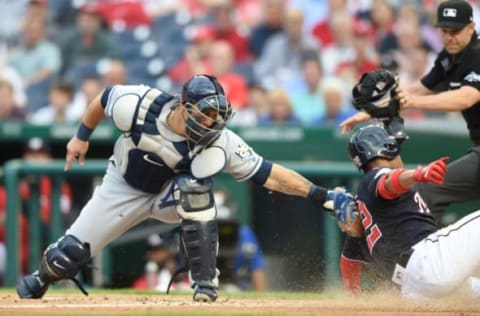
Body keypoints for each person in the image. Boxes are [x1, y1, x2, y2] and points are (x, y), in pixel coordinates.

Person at [16, 74, 352, 303]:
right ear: (184, 105)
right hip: (121, 187)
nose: (211, 122)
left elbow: (270, 175)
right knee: (64, 258)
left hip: (166, 196)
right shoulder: (139, 104)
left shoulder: (220, 141)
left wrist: (320, 195)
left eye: (217, 115)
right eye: (206, 114)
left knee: (196, 192)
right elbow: (102, 99)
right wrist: (80, 137)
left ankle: (205, 283)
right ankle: (40, 278)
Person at [340, 0, 480, 224]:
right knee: (427, 192)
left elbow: (467, 97)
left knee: (428, 191)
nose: (449, 37)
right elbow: (421, 87)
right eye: (444, 31)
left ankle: (422, 254)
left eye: (456, 30)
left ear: (471, 27)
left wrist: (413, 101)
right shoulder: (450, 57)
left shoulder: (476, 54)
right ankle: (422, 255)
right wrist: (370, 111)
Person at [339, 124, 480, 299]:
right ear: (388, 148)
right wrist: (418, 174)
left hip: (413, 288)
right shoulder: (377, 174)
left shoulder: (366, 208)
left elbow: (349, 258)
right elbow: (388, 183)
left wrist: (354, 298)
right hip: (425, 261)